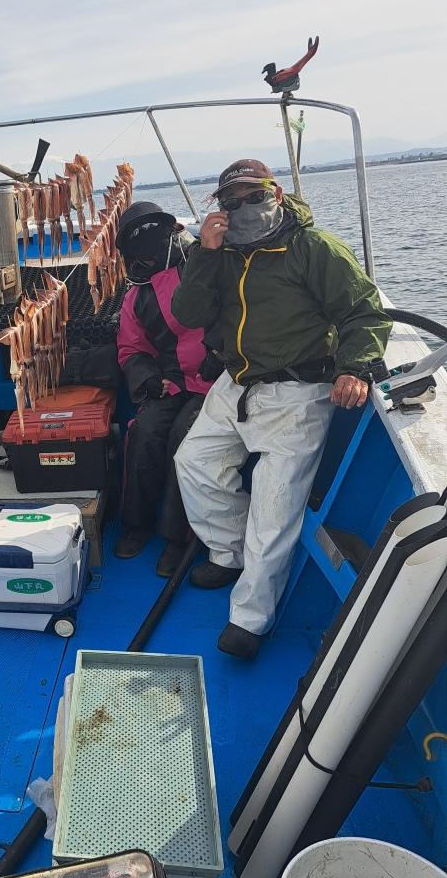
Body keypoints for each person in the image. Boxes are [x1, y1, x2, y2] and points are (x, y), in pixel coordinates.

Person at [171, 159, 391, 660]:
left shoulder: (312, 247)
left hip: (298, 391)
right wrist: (205, 254)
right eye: (233, 201)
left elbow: (364, 310)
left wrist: (355, 367)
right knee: (194, 463)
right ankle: (229, 552)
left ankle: (250, 619)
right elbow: (188, 313)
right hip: (237, 382)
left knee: (274, 507)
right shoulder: (221, 253)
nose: (246, 207)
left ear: (276, 193)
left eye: (256, 196)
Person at [114, 201, 222, 575]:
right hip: (172, 383)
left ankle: (179, 538)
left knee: (183, 439)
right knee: (144, 432)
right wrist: (147, 378)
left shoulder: (203, 264)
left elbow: (236, 309)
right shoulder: (136, 296)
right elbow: (131, 348)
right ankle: (136, 524)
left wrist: (221, 352)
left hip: (217, 380)